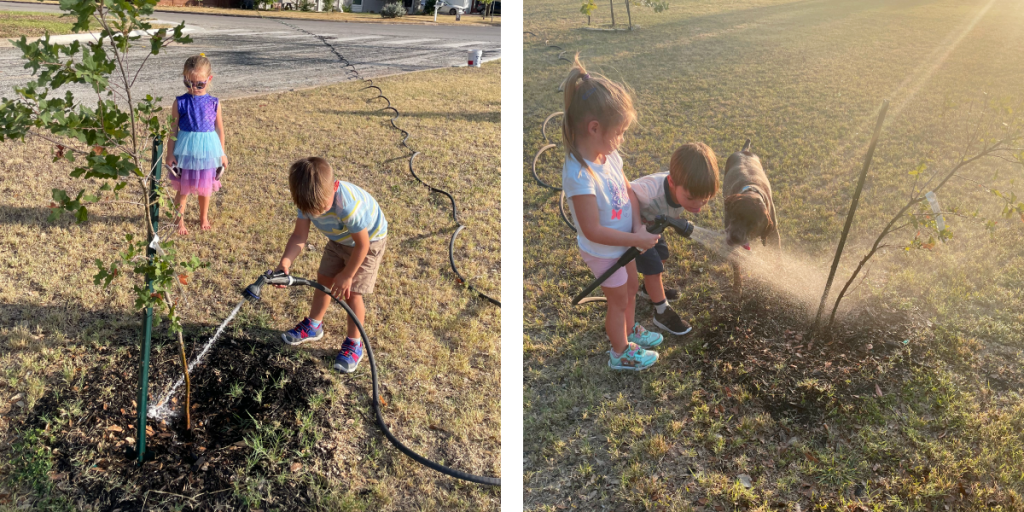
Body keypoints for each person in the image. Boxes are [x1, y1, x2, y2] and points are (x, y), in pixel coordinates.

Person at [561, 55, 663, 371]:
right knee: (617, 300)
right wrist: (635, 237)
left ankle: (629, 331)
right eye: (619, 132)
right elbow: (592, 230)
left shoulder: (609, 154)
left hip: (624, 243)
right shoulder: (579, 175)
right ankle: (620, 352)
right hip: (603, 252)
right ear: (594, 128)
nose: (621, 139)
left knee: (631, 288)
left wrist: (637, 228)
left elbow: (627, 191)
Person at [274, 157, 388, 374]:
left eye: (322, 208)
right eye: (312, 211)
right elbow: (300, 235)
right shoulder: (306, 201)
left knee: (352, 292)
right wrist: (285, 263)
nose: (316, 214)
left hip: (369, 241)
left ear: (335, 187)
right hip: (339, 240)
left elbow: (362, 245)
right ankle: (314, 325)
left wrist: (347, 274)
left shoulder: (347, 205)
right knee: (323, 280)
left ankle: (355, 344)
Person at [631, 143, 720, 336]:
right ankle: (661, 312)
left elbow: (674, 207)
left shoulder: (685, 188)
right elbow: (627, 192)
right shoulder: (649, 191)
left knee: (662, 254)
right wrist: (637, 226)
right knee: (654, 268)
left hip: (653, 228)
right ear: (671, 182)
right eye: (691, 199)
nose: (697, 207)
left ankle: (648, 290)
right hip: (632, 230)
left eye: (704, 200)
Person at [165, 54, 227, 235]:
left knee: (205, 187)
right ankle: (179, 221)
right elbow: (172, 130)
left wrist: (222, 154)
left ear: (209, 79)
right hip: (185, 152)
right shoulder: (180, 102)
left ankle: (203, 217)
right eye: (189, 83)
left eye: (200, 84)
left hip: (207, 151)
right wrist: (170, 154)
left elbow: (220, 129)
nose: (194, 88)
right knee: (183, 189)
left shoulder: (214, 103)